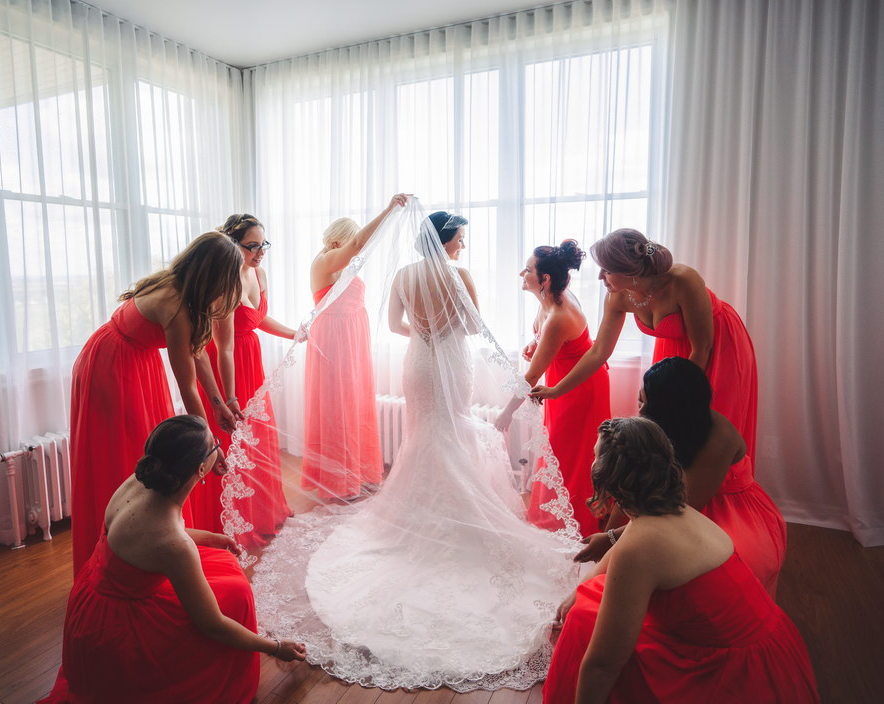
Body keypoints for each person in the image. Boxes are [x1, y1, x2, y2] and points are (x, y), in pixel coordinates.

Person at [240, 204, 579, 692]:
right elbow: (472, 326)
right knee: (450, 428)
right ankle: (453, 515)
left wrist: (424, 331)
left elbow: (395, 324)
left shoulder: (403, 275)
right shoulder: (459, 275)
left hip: (419, 360)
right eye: (459, 238)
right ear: (444, 240)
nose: (462, 245)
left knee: (427, 431)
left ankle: (421, 514)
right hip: (451, 360)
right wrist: (444, 329)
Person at [543, 417, 818, 704]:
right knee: (588, 604)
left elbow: (603, 664)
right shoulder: (676, 510)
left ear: (605, 475)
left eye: (594, 456)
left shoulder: (641, 547)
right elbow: (626, 542)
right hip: (774, 644)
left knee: (590, 633)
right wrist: (579, 590)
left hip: (741, 673)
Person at [41, 415, 306, 704]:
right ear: (201, 467)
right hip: (119, 627)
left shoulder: (140, 482)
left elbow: (144, 534)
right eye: (215, 445)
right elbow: (213, 624)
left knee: (229, 579)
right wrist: (274, 647)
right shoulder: (174, 544)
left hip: (91, 600)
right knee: (235, 595)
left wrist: (210, 537)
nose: (219, 447)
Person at [69, 231, 243, 574]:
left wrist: (218, 403)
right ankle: (125, 555)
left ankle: (143, 549)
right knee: (125, 453)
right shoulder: (176, 306)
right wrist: (209, 446)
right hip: (112, 367)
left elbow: (197, 353)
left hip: (135, 361)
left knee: (142, 447)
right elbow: (187, 386)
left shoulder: (184, 292)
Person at [531, 228, 758, 463]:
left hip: (718, 346)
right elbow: (598, 352)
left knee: (709, 427)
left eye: (607, 270)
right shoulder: (617, 296)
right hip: (672, 352)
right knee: (670, 434)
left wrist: (681, 396)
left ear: (628, 270)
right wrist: (556, 390)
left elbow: (702, 348)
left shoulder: (683, 280)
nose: (600, 277)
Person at [572, 357, 786, 596]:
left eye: (646, 404)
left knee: (691, 579)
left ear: (670, 407)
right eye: (639, 400)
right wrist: (608, 539)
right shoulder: (661, 426)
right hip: (672, 509)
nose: (640, 411)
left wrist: (612, 540)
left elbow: (676, 511)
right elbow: (635, 486)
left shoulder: (720, 437)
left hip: (726, 513)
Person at [191, 214, 295, 546]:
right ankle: (227, 521)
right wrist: (230, 396)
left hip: (251, 359)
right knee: (232, 435)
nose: (260, 252)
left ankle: (261, 512)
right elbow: (223, 347)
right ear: (233, 245)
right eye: (252, 246)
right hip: (227, 366)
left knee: (257, 437)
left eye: (264, 244)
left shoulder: (258, 273)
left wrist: (293, 333)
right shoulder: (224, 280)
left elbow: (258, 319)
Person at [496, 241, 610, 536]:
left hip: (579, 386)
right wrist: (535, 344)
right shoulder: (551, 296)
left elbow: (532, 376)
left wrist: (507, 412)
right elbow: (553, 340)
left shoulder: (559, 316)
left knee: (571, 455)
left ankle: (572, 523)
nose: (522, 273)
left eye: (528, 269)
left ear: (544, 279)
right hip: (562, 380)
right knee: (558, 450)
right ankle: (555, 515)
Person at [302, 194, 409, 500]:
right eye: (349, 241)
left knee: (354, 401)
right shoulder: (324, 262)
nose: (355, 249)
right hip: (334, 338)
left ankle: (358, 472)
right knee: (337, 404)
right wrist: (389, 210)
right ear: (338, 241)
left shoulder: (343, 265)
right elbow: (360, 245)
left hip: (352, 338)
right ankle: (338, 479)